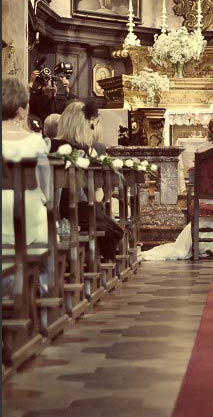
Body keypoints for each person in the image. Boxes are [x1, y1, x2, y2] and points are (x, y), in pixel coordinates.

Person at [143, 117, 213, 260]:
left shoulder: (200, 150)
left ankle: (202, 245)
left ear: (209, 130)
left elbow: (198, 177)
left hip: (204, 199)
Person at [50, 101, 123, 261]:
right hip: (73, 208)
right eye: (91, 126)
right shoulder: (81, 151)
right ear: (81, 125)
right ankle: (102, 262)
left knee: (110, 227)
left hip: (48, 208)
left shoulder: (48, 146)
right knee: (114, 230)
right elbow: (96, 191)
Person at [2, 78, 51, 297]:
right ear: (22, 111)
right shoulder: (35, 142)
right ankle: (40, 285)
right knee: (49, 230)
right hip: (27, 216)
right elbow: (46, 187)